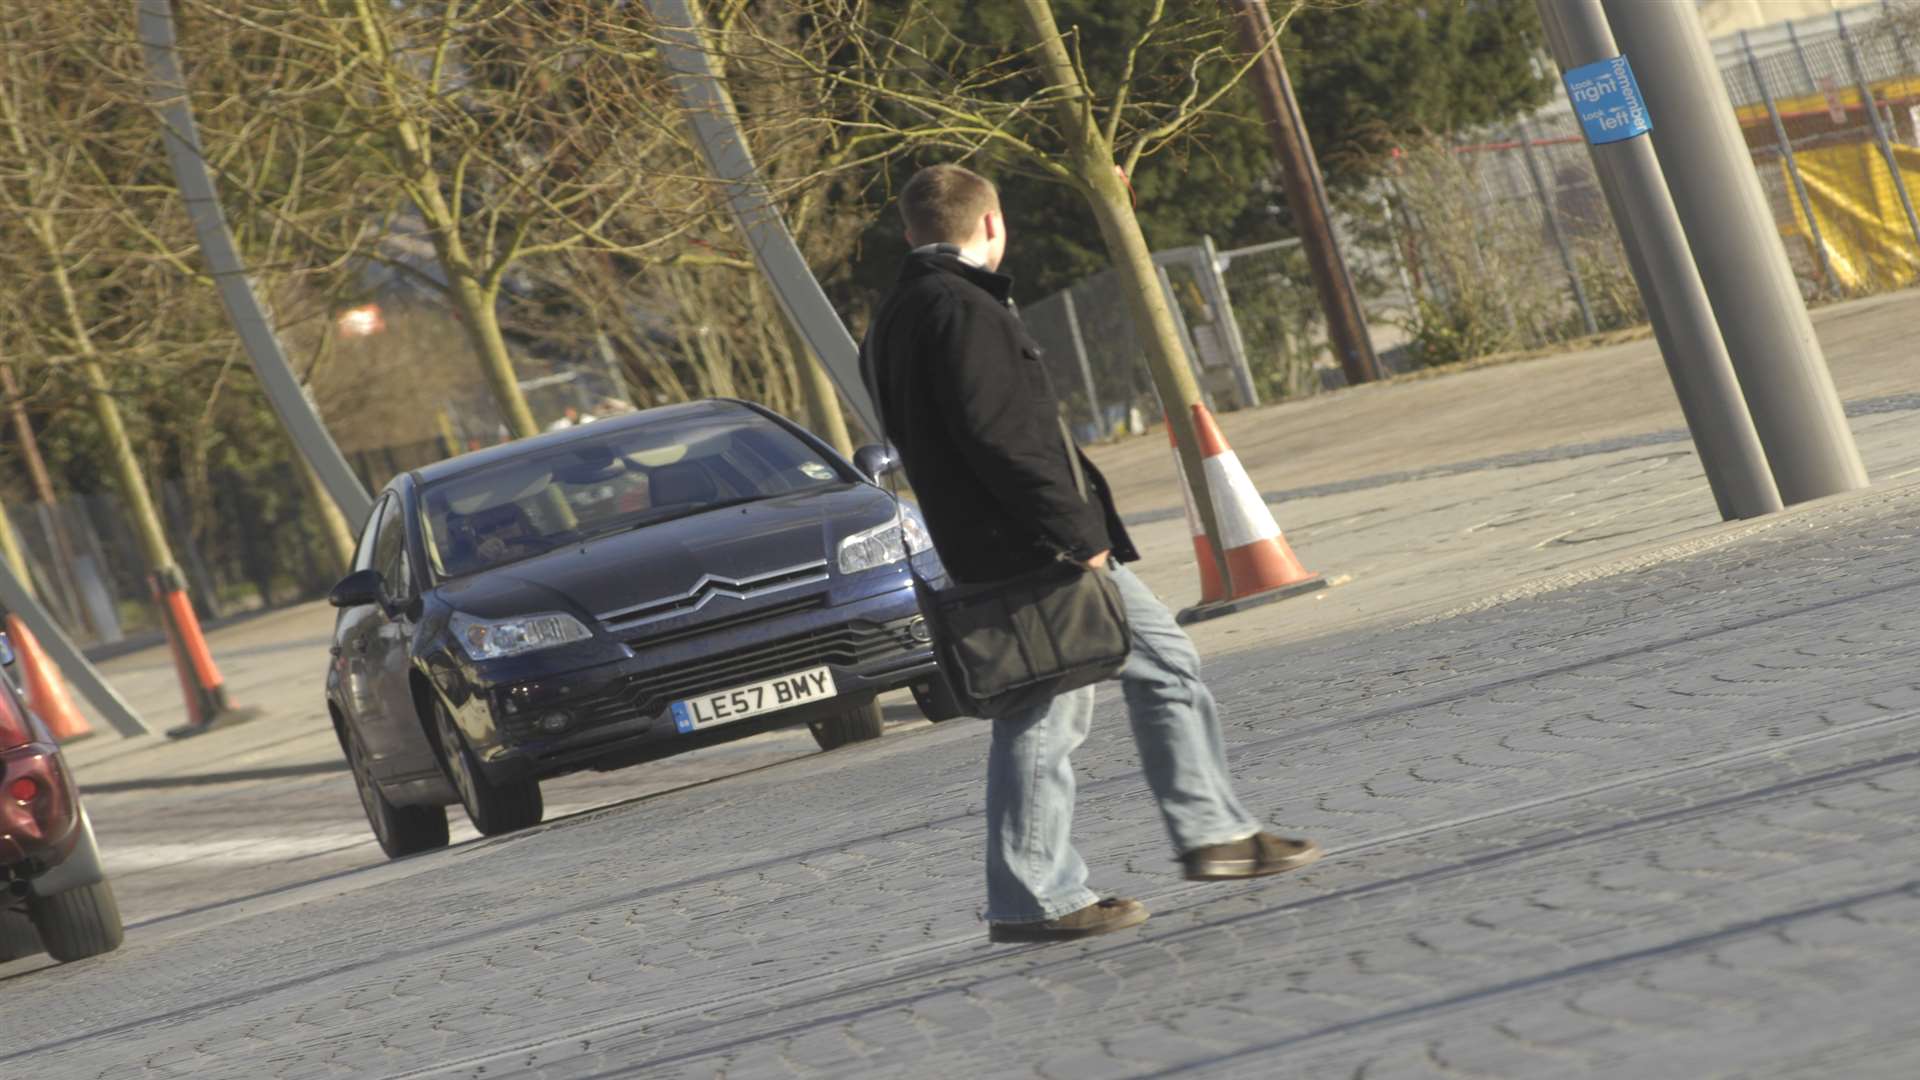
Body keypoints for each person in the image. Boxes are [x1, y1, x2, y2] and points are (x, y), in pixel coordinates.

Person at [863, 164, 1323, 943]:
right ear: (993, 224)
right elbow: (1003, 438)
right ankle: (1037, 893)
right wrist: (1078, 538)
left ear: (910, 232)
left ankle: (1208, 834)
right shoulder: (961, 308)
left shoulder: (893, 318)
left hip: (999, 544)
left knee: (1152, 664)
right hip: (1037, 549)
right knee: (1049, 712)